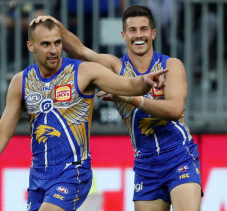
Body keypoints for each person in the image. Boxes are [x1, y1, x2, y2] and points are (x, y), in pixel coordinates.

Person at [0, 19, 167, 211]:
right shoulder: (21, 81)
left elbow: (128, 85)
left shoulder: (83, 71)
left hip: (73, 173)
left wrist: (144, 81)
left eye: (57, 43)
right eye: (45, 44)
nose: (53, 50)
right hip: (38, 176)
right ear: (30, 46)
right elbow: (2, 130)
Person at [33, 5, 202, 211]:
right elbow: (79, 50)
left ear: (153, 33)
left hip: (178, 155)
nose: (138, 35)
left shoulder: (171, 65)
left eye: (144, 29)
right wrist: (56, 26)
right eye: (132, 30)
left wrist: (130, 97)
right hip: (145, 165)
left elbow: (175, 110)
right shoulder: (116, 67)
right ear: (123, 35)